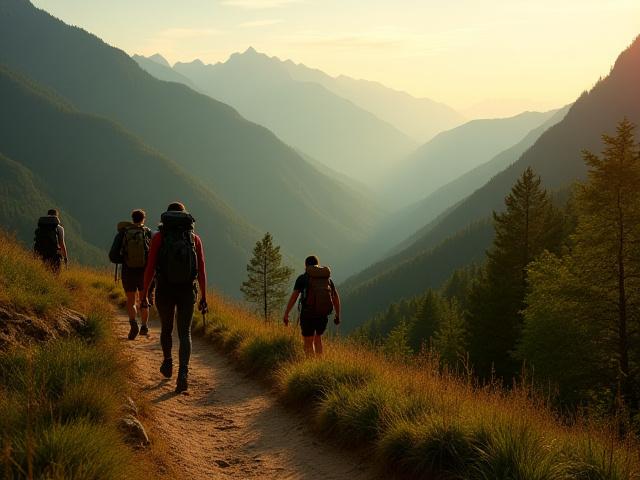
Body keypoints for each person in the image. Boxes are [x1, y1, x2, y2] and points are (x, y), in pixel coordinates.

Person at [141, 202, 208, 393]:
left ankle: (168, 362)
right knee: (185, 333)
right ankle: (183, 375)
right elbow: (201, 270)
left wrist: (145, 293)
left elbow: (150, 268)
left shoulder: (159, 237)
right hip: (187, 290)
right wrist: (204, 296)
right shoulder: (194, 239)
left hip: (165, 289)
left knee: (167, 328)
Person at [283, 255, 341, 356]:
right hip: (323, 314)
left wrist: (286, 313)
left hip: (307, 314)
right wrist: (337, 314)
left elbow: (294, 297)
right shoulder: (327, 279)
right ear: (317, 265)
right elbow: (335, 297)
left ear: (306, 266)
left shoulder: (302, 278)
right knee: (318, 339)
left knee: (308, 341)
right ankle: (319, 366)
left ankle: (311, 366)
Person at [109, 209, 153, 340]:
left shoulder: (123, 233)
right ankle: (144, 326)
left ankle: (133, 323)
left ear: (132, 218)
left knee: (131, 299)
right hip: (144, 271)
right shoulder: (148, 232)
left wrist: (124, 260)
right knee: (144, 299)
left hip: (128, 270)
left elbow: (112, 255)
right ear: (143, 219)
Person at [34, 209, 68, 273]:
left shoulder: (41, 227)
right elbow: (62, 244)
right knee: (55, 273)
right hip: (53, 253)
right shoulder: (59, 228)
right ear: (56, 216)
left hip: (41, 251)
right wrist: (65, 258)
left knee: (42, 272)